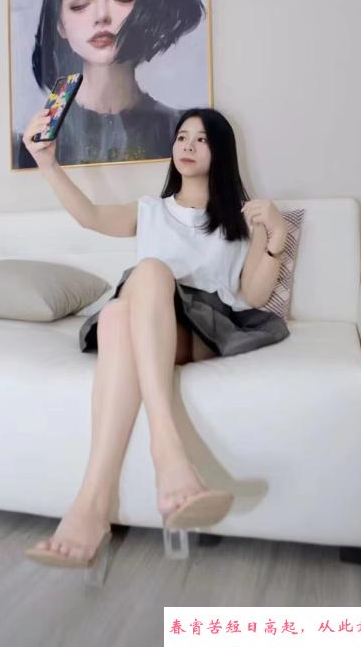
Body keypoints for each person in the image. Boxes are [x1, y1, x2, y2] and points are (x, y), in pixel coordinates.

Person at [21, 105, 290, 580]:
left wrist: (278, 232)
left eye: (201, 139)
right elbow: (88, 216)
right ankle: (114, 493)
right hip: (146, 317)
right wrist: (46, 161)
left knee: (142, 280)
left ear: (221, 152)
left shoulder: (240, 221)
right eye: (182, 136)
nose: (188, 145)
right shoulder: (150, 211)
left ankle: (107, 494)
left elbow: (253, 294)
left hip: (203, 324)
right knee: (121, 308)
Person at [12, 0, 206, 168]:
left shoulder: (178, 132)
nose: (101, 15)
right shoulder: (32, 144)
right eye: (79, 4)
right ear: (60, 24)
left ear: (150, 8)